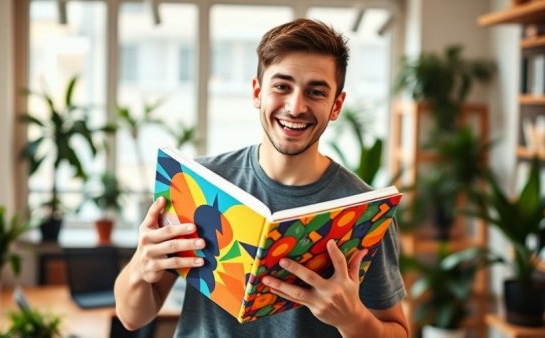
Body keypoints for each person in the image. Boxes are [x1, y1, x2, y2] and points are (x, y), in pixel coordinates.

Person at [114, 18, 409, 337]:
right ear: (257, 92)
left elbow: (399, 330)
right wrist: (139, 269)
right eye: (282, 86)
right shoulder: (195, 184)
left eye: (316, 92)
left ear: (336, 105)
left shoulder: (366, 215)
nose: (296, 107)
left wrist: (352, 320)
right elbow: (132, 318)